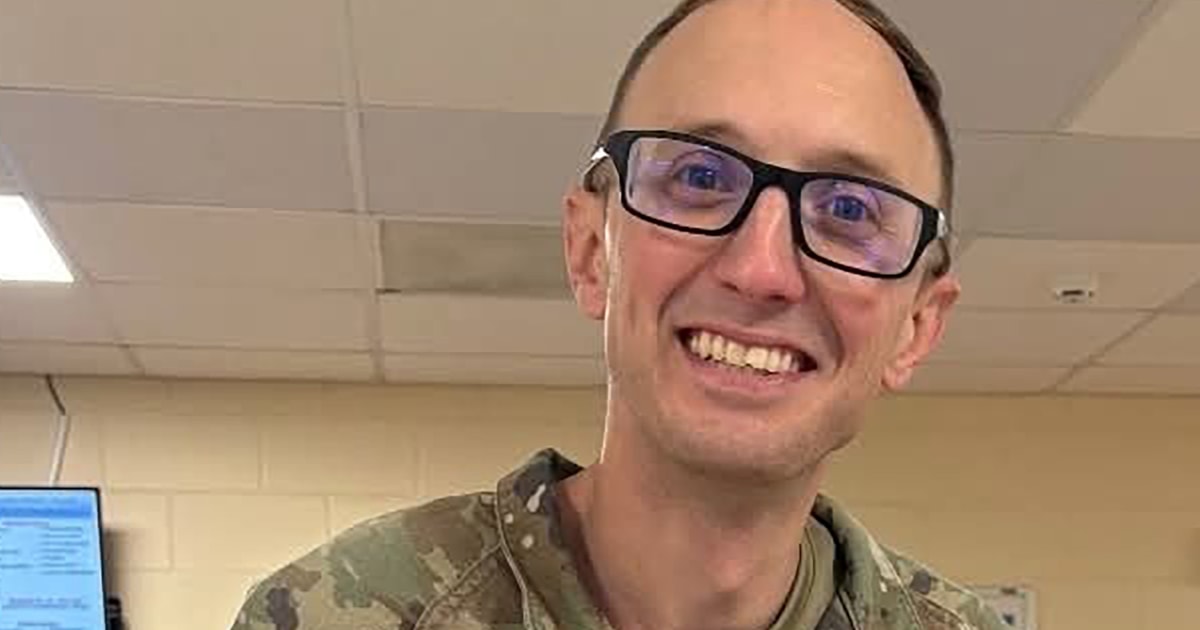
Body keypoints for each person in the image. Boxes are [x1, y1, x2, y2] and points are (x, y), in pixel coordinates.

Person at [231, 0, 1006, 628]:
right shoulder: (338, 612)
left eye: (849, 209)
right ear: (590, 252)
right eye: (701, 178)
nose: (761, 269)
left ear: (917, 327)